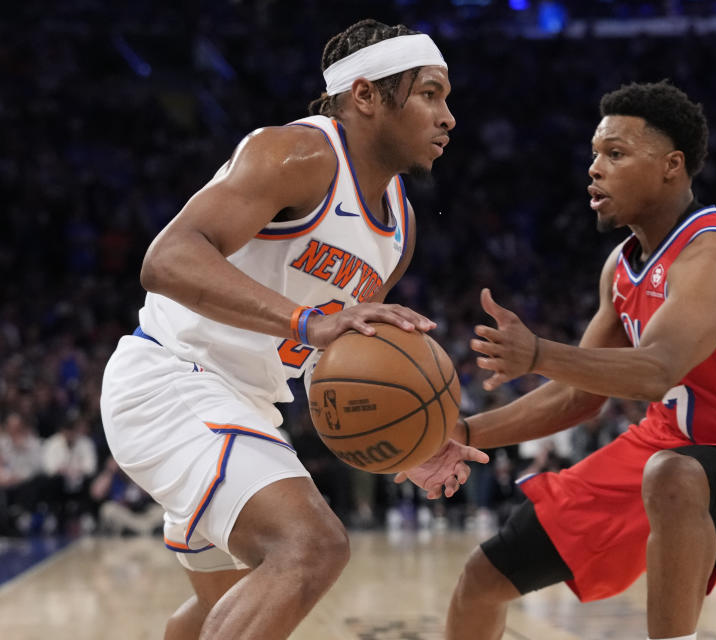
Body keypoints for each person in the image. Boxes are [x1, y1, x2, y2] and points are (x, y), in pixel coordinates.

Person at [100, 19, 487, 640]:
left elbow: (332, 359)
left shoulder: (400, 231)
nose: (448, 117)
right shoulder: (297, 154)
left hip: (249, 406)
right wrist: (310, 321)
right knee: (310, 549)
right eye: (430, 93)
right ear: (366, 96)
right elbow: (166, 260)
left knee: (218, 608)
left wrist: (409, 447)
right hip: (174, 378)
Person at [444, 80, 716, 640]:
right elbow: (580, 396)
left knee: (673, 473)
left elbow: (656, 371)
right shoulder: (621, 267)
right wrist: (461, 434)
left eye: (616, 154)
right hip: (662, 455)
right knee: (484, 577)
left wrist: (537, 353)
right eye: (595, 155)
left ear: (672, 166)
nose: (594, 170)